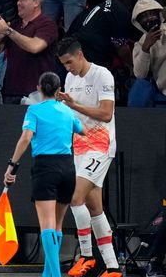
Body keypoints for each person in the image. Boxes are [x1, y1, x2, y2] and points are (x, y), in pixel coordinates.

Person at [3, 72, 84, 277]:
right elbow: (82, 130)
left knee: (46, 224)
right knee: (57, 224)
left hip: (45, 168)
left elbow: (26, 138)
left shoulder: (34, 110)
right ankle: (49, 273)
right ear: (59, 90)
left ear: (39, 88)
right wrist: (71, 105)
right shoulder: (67, 111)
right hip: (67, 168)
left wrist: (12, 165)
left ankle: (54, 275)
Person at [55, 37, 121, 277]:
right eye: (63, 64)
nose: (67, 68)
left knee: (75, 197)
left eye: (69, 62)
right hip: (79, 147)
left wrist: (74, 105)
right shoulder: (70, 79)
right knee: (95, 208)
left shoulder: (102, 75)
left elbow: (106, 113)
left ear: (80, 54)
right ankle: (113, 268)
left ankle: (87, 256)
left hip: (100, 145)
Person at [0, 0, 59, 104]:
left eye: (23, 0)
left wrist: (8, 31)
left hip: (38, 93)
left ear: (36, 3)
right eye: (18, 0)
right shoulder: (15, 24)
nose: (18, 3)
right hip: (11, 92)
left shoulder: (47, 25)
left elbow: (34, 47)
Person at [129, 0, 166, 107]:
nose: (149, 19)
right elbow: (140, 74)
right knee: (140, 86)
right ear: (139, 23)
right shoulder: (140, 44)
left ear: (159, 14)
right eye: (144, 17)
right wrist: (145, 49)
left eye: (152, 14)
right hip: (162, 92)